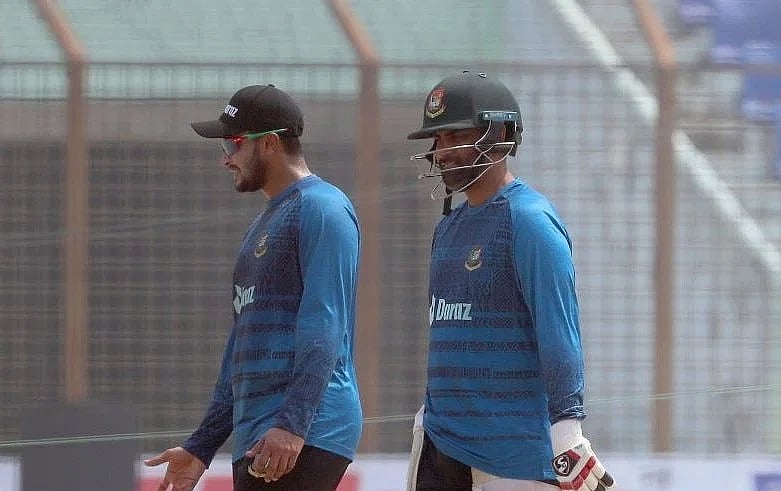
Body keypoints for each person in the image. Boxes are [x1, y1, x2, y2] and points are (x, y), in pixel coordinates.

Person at [145, 84, 363, 491]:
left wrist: (293, 425)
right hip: (261, 435)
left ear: (270, 144)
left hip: (303, 434)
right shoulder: (262, 226)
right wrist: (201, 446)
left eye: (233, 143)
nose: (225, 158)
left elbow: (325, 324)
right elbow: (240, 350)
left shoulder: (323, 208)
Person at [404, 71, 615, 491]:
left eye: (453, 137)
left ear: (498, 133)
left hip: (512, 460)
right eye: (437, 140)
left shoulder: (529, 222)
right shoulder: (447, 228)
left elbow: (559, 334)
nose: (441, 152)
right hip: (439, 447)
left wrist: (568, 431)